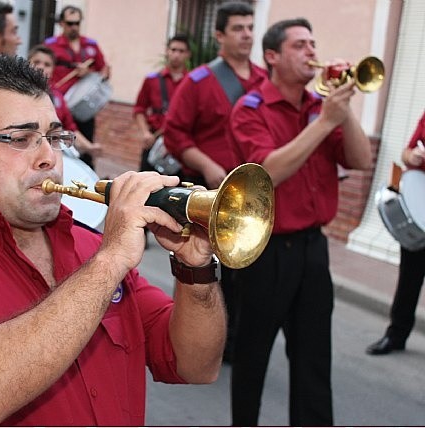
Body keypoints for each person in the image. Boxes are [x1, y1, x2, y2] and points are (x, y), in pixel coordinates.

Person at [0, 54, 226, 426]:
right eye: (20, 139)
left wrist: (193, 269)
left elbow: (195, 365)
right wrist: (110, 261)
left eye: (53, 137)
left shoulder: (89, 245)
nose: (49, 158)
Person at [228, 18, 372, 425]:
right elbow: (268, 173)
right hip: (267, 250)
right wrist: (326, 121)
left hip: (313, 250)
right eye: (299, 45)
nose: (312, 52)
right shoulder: (250, 110)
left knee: (313, 363)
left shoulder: (319, 107)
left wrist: (344, 111)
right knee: (252, 357)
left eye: (313, 43)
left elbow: (361, 160)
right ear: (272, 57)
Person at [163, 1, 267, 364]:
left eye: (251, 27)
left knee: (246, 270)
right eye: (239, 28)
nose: (247, 35)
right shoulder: (199, 81)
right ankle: (201, 336)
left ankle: (235, 339)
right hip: (209, 189)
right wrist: (207, 165)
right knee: (205, 268)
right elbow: (174, 134)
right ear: (220, 35)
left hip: (248, 195)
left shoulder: (263, 81)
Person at [366, 110, 425, 356]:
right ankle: (396, 335)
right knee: (409, 278)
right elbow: (406, 153)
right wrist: (414, 155)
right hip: (419, 209)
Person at [44, 5, 110, 169]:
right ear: (61, 23)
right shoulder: (51, 45)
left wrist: (89, 72)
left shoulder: (91, 45)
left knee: (85, 151)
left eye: (77, 23)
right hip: (59, 105)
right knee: (58, 147)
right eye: (69, 23)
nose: (74, 27)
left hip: (83, 109)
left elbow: (104, 71)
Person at [28, 44, 101, 161]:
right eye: (37, 62)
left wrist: (89, 147)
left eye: (47, 64)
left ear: (53, 70)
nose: (41, 67)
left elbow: (70, 128)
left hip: (52, 155)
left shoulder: (58, 97)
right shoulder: (17, 93)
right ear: (28, 65)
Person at [133, 33, 190, 174]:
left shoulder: (192, 83)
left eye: (181, 51)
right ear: (167, 51)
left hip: (181, 144)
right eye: (173, 50)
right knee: (146, 188)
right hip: (154, 140)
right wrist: (146, 133)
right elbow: (139, 109)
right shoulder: (152, 80)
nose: (176, 55)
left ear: (188, 54)